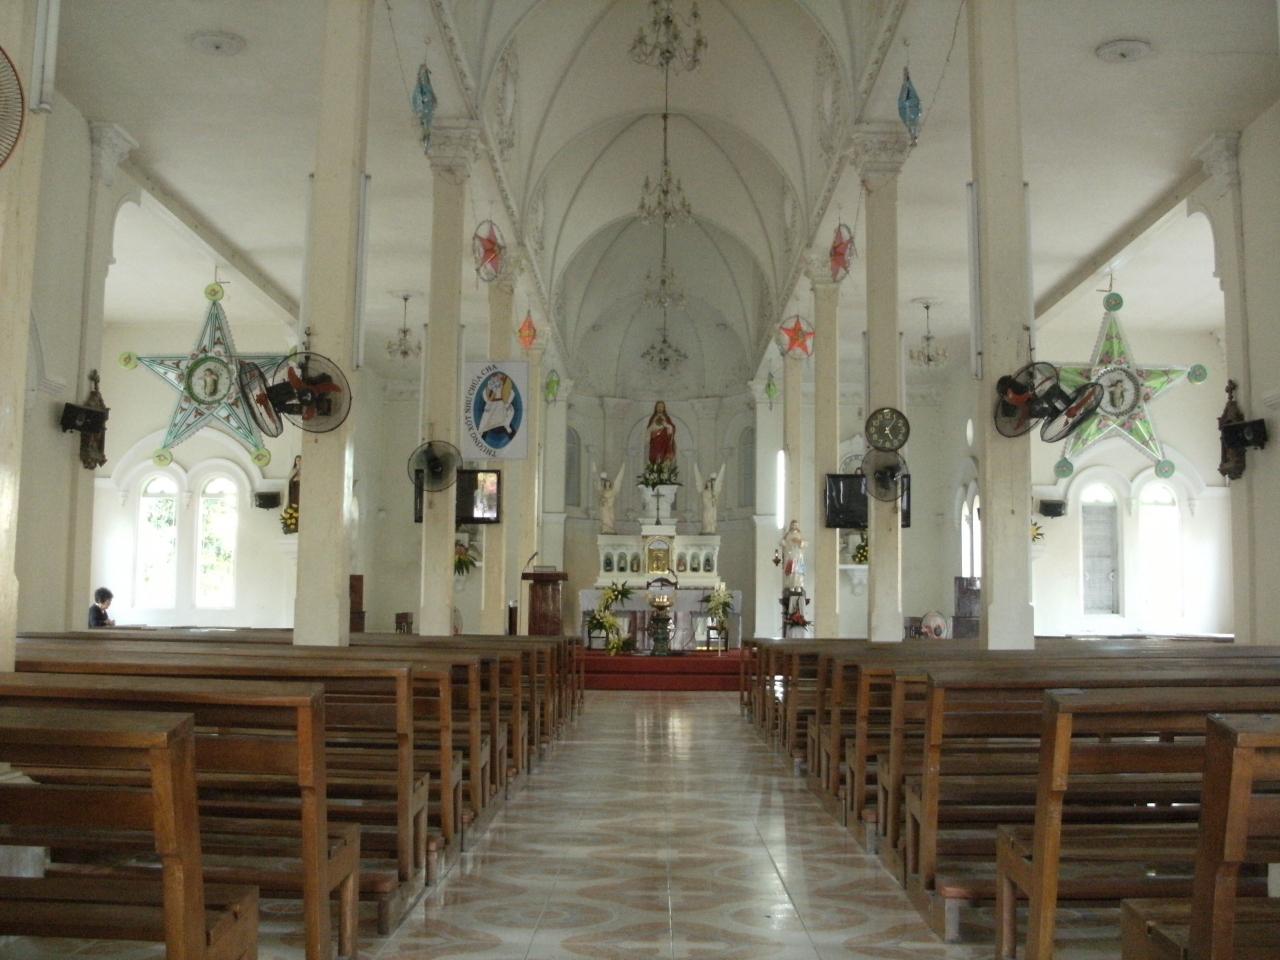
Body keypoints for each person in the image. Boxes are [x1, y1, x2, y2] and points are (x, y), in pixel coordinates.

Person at [777, 520, 806, 592]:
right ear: (791, 526)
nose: (794, 526)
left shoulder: (800, 535)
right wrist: (784, 538)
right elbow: (781, 543)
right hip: (790, 556)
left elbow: (805, 543)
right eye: (793, 525)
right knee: (790, 571)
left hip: (798, 556)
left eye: (796, 525)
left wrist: (799, 541)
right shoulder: (788, 535)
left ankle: (798, 585)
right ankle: (791, 585)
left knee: (798, 571)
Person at [646, 400, 676, 465]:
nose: (660, 408)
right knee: (655, 455)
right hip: (654, 440)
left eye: (661, 406)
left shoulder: (667, 418)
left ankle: (664, 464)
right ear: (656, 408)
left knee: (664, 456)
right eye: (658, 406)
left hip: (664, 440)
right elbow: (648, 429)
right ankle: (655, 465)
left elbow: (672, 428)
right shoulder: (653, 418)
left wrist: (666, 425)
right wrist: (652, 428)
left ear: (664, 408)